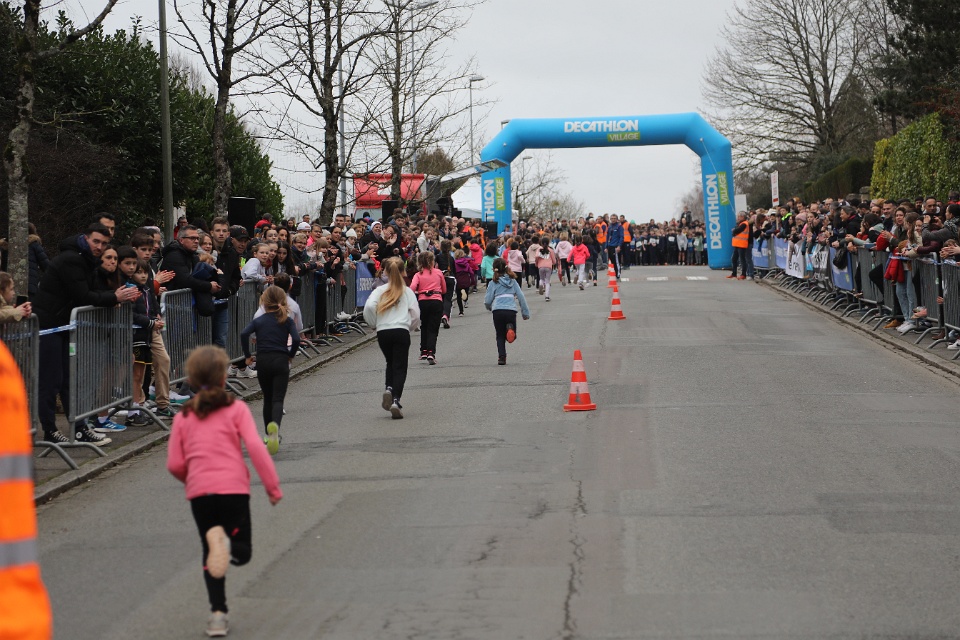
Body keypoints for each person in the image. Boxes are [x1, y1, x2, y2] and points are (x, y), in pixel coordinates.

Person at [166, 345, 282, 638]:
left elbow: (175, 464)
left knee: (209, 553)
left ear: (191, 379)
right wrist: (272, 487)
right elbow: (255, 447)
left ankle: (217, 614)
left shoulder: (183, 417)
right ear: (223, 377)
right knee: (242, 552)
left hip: (200, 495)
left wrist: (191, 480)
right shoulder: (236, 409)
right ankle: (228, 545)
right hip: (233, 490)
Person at [33, 223, 140, 445]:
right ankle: (50, 431)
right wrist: (114, 298)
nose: (99, 247)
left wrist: (114, 296)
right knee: (51, 382)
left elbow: (92, 291)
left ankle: (80, 428)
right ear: (85, 238)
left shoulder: (87, 259)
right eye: (96, 241)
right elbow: (83, 296)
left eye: (104, 243)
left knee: (68, 381)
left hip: (65, 326)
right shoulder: (72, 259)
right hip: (50, 326)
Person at [240, 286, 300, 454]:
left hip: (263, 361)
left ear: (264, 302)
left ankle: (267, 435)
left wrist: (247, 356)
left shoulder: (259, 321)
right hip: (281, 360)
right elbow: (296, 339)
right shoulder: (286, 320)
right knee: (278, 399)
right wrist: (290, 355)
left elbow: (244, 334)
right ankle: (275, 430)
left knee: (267, 398)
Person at [362, 257, 420, 419]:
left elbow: (369, 307)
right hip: (401, 330)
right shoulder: (406, 291)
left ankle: (389, 387)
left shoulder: (379, 290)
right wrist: (410, 326)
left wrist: (374, 323)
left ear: (385, 271)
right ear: (403, 271)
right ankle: (395, 400)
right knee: (400, 366)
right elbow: (415, 314)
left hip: (383, 331)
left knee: (390, 362)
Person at [484, 257, 530, 366]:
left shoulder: (493, 283)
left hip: (497, 310)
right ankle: (510, 328)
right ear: (506, 267)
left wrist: (489, 307)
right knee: (511, 336)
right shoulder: (512, 281)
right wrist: (525, 312)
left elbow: (487, 300)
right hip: (510, 310)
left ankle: (502, 357)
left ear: (494, 269)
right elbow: (521, 297)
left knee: (499, 335)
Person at [410, 251, 446, 364]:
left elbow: (412, 287)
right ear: (432, 261)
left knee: (424, 325)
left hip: (423, 301)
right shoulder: (438, 273)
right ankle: (431, 352)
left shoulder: (418, 274)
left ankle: (424, 350)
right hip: (436, 300)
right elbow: (444, 289)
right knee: (433, 328)